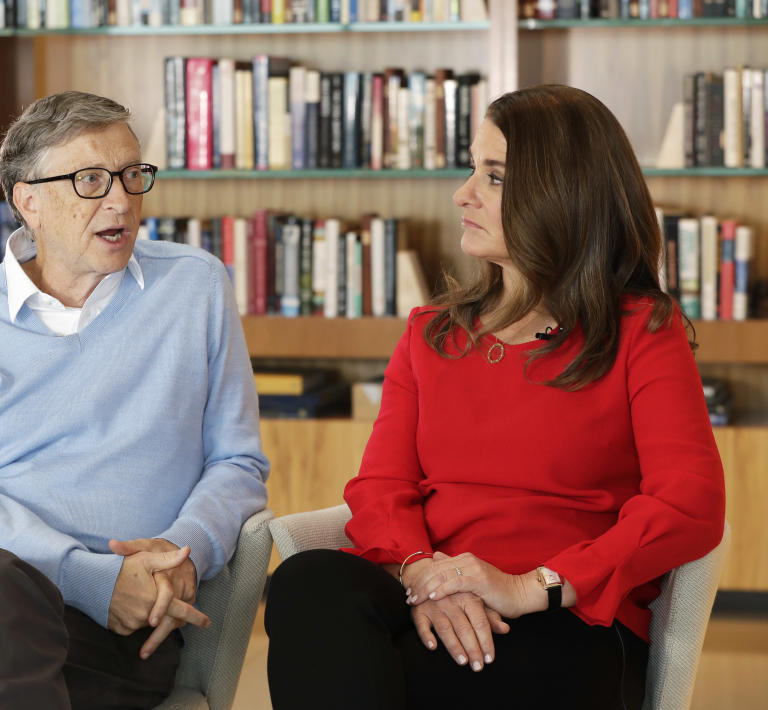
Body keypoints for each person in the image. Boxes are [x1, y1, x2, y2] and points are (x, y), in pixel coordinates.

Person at [265, 84, 725, 710]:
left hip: (564, 617)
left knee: (420, 682)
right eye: (472, 169)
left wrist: (527, 587)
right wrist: (425, 572)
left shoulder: (641, 330)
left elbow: (690, 501)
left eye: (495, 176)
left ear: (563, 194)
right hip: (431, 600)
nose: (464, 193)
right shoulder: (431, 334)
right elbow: (380, 488)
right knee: (308, 582)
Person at [0, 90, 270, 710]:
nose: (121, 200)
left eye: (132, 175)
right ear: (28, 200)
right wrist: (86, 576)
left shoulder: (195, 287)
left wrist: (181, 556)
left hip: (115, 622)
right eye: (90, 180)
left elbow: (238, 465)